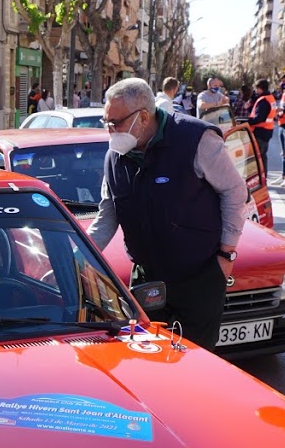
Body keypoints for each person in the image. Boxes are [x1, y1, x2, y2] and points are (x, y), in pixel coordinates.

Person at [88, 78, 247, 350]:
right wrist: (79, 256)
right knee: (147, 362)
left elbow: (234, 191)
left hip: (198, 278)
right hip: (147, 281)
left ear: (144, 117)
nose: (111, 131)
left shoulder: (196, 139)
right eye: (107, 123)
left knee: (195, 364)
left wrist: (226, 254)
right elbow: (107, 215)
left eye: (116, 123)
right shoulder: (115, 157)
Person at [247, 78, 276, 164]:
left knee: (258, 158)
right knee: (262, 157)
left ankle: (261, 176)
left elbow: (259, 118)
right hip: (266, 131)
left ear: (260, 88)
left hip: (260, 132)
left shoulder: (263, 100)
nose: (256, 91)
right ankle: (263, 176)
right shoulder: (270, 98)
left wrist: (245, 122)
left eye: (256, 89)